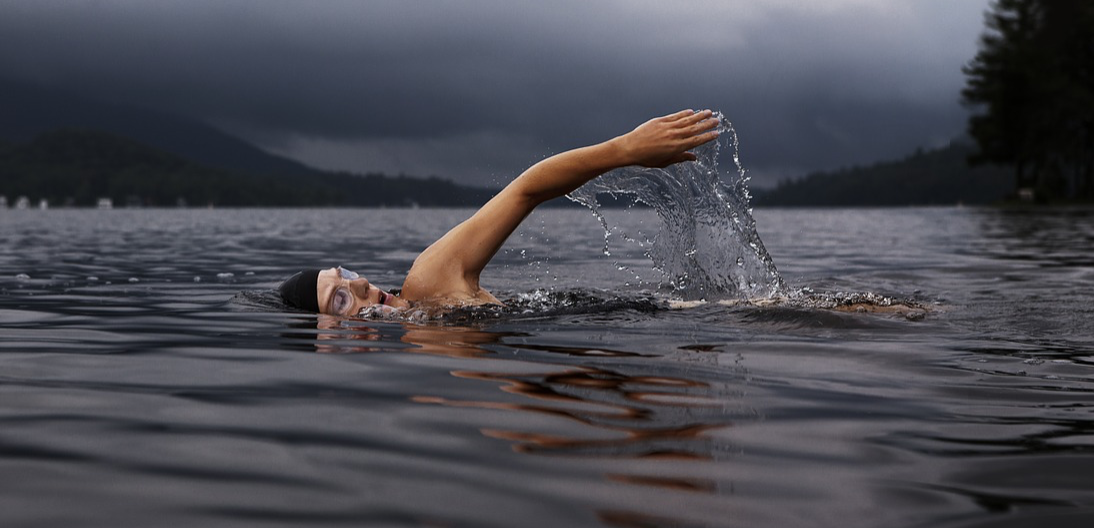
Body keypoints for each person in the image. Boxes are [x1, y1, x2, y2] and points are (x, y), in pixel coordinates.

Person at [279, 109, 720, 316]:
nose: (360, 284)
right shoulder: (422, 352)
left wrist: (625, 150)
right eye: (340, 299)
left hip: (692, 315)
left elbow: (526, 190)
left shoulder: (427, 283)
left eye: (345, 274)